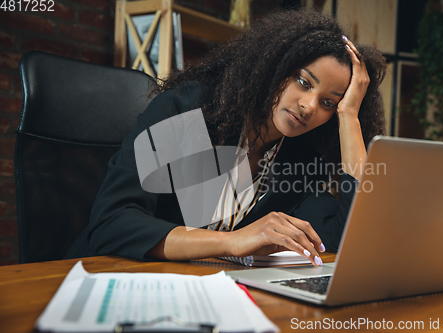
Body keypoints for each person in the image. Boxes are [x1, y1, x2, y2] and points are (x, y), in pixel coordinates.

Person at [65, 10, 386, 266]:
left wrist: (350, 119)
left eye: (329, 103)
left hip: (206, 291)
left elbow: (345, 238)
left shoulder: (299, 156)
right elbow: (112, 223)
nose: (309, 105)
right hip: (107, 277)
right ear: (275, 66)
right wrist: (235, 241)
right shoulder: (189, 111)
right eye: (303, 82)